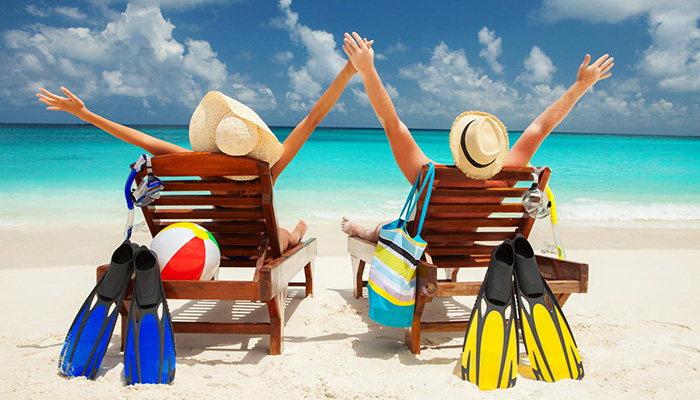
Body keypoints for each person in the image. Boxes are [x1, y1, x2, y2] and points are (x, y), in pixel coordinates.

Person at [38, 41, 372, 251]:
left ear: (217, 140)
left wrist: (86, 114)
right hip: (260, 245)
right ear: (256, 145)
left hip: (218, 243)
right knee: (284, 235)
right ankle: (297, 233)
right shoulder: (266, 169)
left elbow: (141, 139)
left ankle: (292, 232)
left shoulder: (202, 164)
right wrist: (346, 72)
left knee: (278, 232)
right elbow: (311, 120)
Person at [339, 31, 614, 241]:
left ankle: (362, 231)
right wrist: (581, 86)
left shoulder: (429, 177)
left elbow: (391, 123)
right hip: (465, 242)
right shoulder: (506, 176)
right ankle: (365, 230)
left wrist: (367, 69)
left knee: (384, 230)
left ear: (458, 147)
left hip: (423, 245)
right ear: (495, 153)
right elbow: (540, 128)